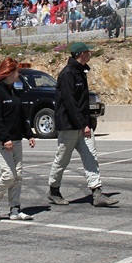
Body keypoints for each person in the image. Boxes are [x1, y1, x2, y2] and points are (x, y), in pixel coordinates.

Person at [47, 42, 118, 207]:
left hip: (83, 125)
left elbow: (82, 103)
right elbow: (70, 103)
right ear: (81, 54)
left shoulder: (81, 72)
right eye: (88, 52)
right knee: (62, 160)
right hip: (69, 126)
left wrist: (87, 123)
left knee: (91, 157)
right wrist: (82, 125)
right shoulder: (67, 74)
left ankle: (97, 192)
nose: (90, 55)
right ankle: (53, 190)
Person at [0, 58, 36, 221]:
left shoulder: (14, 90)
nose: (18, 75)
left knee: (18, 176)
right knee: (8, 175)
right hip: (2, 141)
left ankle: (15, 209)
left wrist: (29, 134)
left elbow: (20, 116)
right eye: (16, 72)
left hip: (16, 139)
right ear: (8, 72)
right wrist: (5, 138)